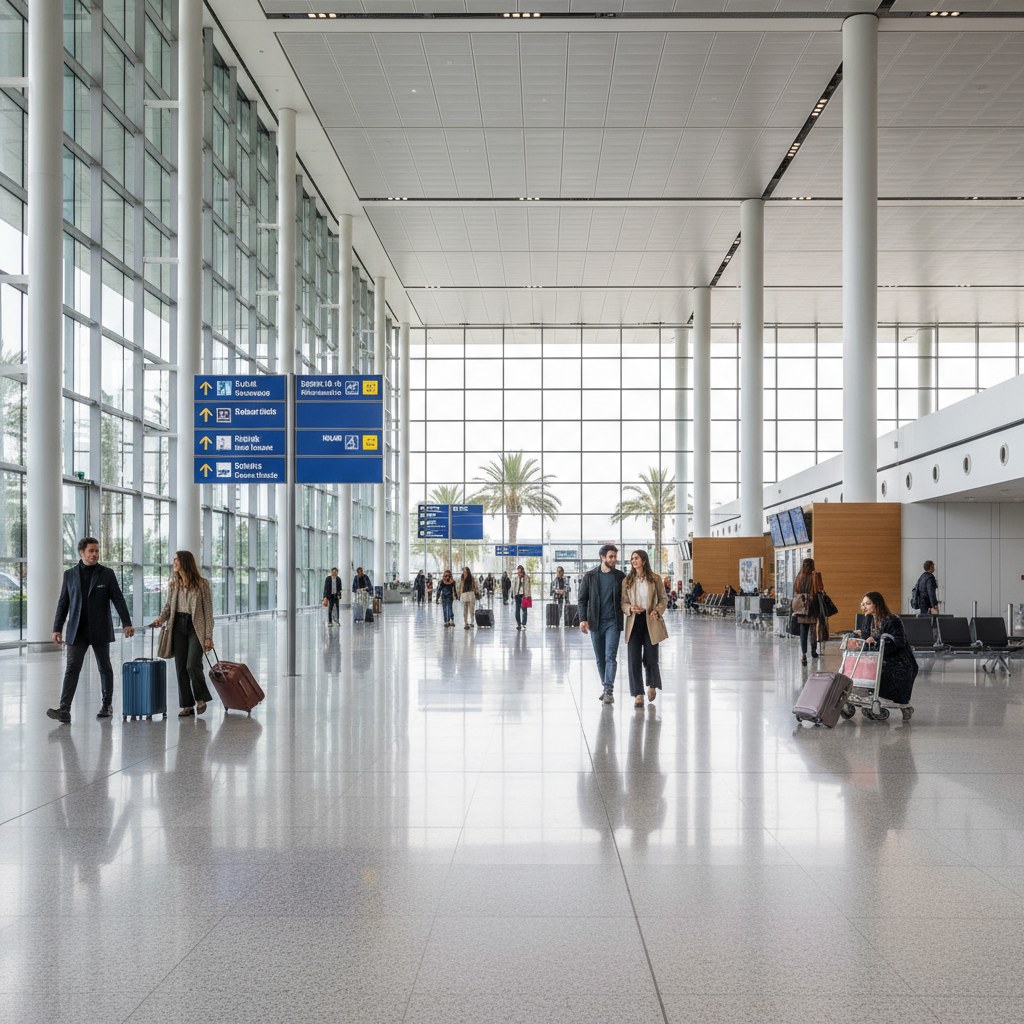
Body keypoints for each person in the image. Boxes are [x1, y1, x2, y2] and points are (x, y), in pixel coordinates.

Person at [48, 537, 135, 723]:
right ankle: (64, 710)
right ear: (82, 553)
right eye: (91, 551)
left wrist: (127, 622)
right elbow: (63, 603)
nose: (95, 554)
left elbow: (118, 599)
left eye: (97, 551)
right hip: (77, 630)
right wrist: (57, 628)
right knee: (72, 668)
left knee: (104, 667)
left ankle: (107, 705)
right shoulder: (70, 574)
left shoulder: (107, 574)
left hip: (100, 628)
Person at [151, 550, 214, 718]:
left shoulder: (202, 584)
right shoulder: (173, 584)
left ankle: (201, 698)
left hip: (196, 627)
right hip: (177, 626)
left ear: (185, 562)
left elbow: (208, 612)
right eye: (173, 560)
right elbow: (168, 606)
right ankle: (187, 705)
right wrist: (160, 619)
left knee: (192, 664)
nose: (174, 563)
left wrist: (208, 637)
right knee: (180, 667)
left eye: (177, 560)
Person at [577, 543, 626, 705]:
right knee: (600, 658)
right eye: (611, 557)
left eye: (615, 557)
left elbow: (626, 597)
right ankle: (605, 687)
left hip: (613, 621)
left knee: (610, 656)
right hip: (595, 622)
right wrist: (583, 619)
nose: (614, 560)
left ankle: (609, 690)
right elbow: (582, 600)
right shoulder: (590, 576)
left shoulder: (620, 576)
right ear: (602, 557)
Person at [622, 550, 669, 708]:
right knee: (633, 659)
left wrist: (658, 610)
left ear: (643, 560)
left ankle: (652, 685)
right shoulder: (627, 580)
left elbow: (663, 598)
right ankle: (638, 694)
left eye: (636, 558)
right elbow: (623, 602)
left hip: (651, 620)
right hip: (634, 621)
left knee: (651, 657)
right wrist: (629, 608)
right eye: (632, 559)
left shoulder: (655, 579)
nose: (633, 561)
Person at [856, 591, 919, 704]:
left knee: (876, 676)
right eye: (863, 604)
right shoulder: (869, 618)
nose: (864, 607)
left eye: (868, 603)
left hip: (900, 662)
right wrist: (860, 635)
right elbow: (867, 638)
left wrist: (876, 640)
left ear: (877, 604)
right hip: (881, 659)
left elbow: (900, 642)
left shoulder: (893, 620)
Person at [792, 557, 824, 665]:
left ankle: (804, 654)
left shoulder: (798, 576)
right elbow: (820, 589)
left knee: (803, 632)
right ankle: (813, 651)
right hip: (812, 606)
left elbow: (795, 590)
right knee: (813, 630)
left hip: (801, 606)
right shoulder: (815, 575)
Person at [512, 564, 532, 630]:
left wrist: (528, 596)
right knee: (517, 611)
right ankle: (519, 624)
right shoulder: (516, 578)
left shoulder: (527, 578)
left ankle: (523, 624)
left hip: (524, 596)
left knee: (524, 611)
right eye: (518, 572)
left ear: (522, 571)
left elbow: (529, 588)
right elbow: (514, 587)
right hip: (517, 596)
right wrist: (514, 594)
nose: (518, 573)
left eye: (520, 572)